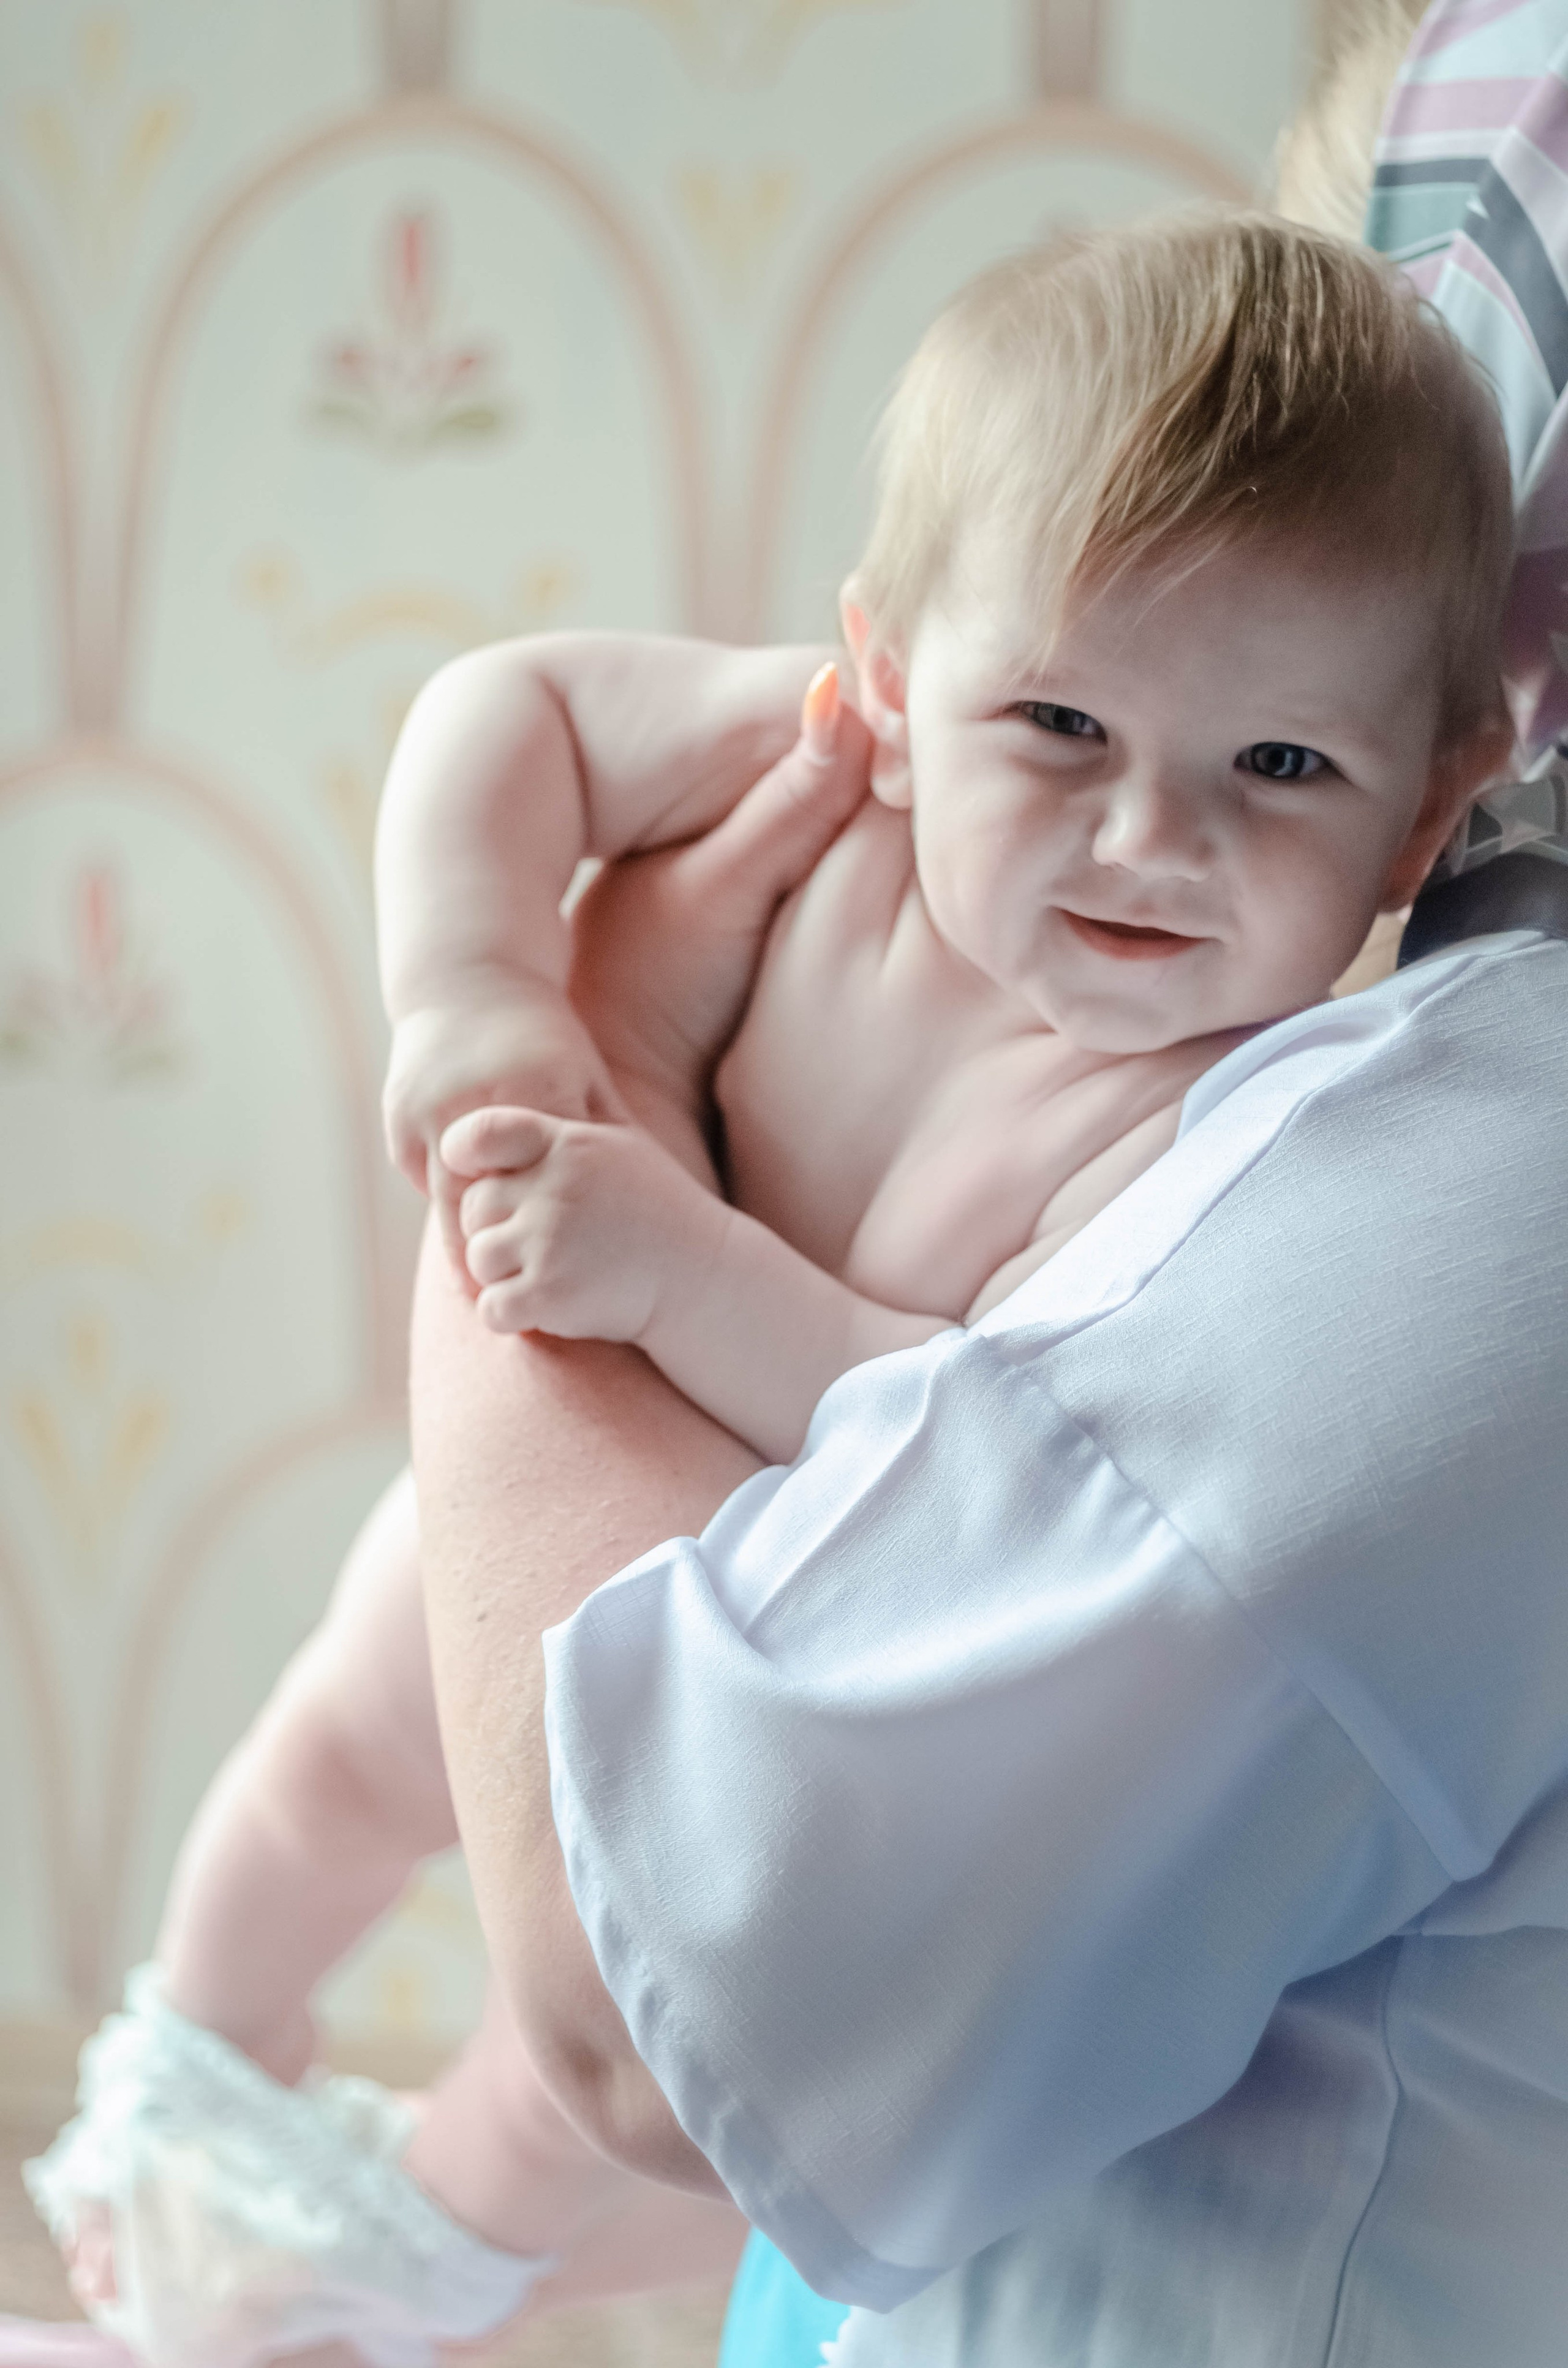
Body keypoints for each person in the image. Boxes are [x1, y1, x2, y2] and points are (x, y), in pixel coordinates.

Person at [15, 205, 1519, 2368]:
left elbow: (935, 1412)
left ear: (1420, 819)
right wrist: (469, 992)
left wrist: (682, 1258)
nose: (1145, 841)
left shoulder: (1223, 1132)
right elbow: (503, 709)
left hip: (779, 1653)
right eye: (1061, 725)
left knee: (584, 2107)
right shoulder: (823, 773)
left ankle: (343, 2300)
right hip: (524, 1521)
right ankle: (178, 2081)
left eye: (1281, 769)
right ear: (896, 676)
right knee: (325, 1769)